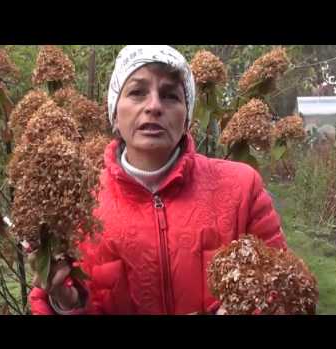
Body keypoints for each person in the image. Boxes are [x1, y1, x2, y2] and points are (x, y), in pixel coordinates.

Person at [28, 45, 287, 315]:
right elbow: (44, 302)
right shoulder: (78, 204)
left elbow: (283, 286)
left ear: (187, 116)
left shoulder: (242, 187)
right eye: (137, 92)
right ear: (115, 113)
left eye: (170, 96)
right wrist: (65, 302)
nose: (153, 106)